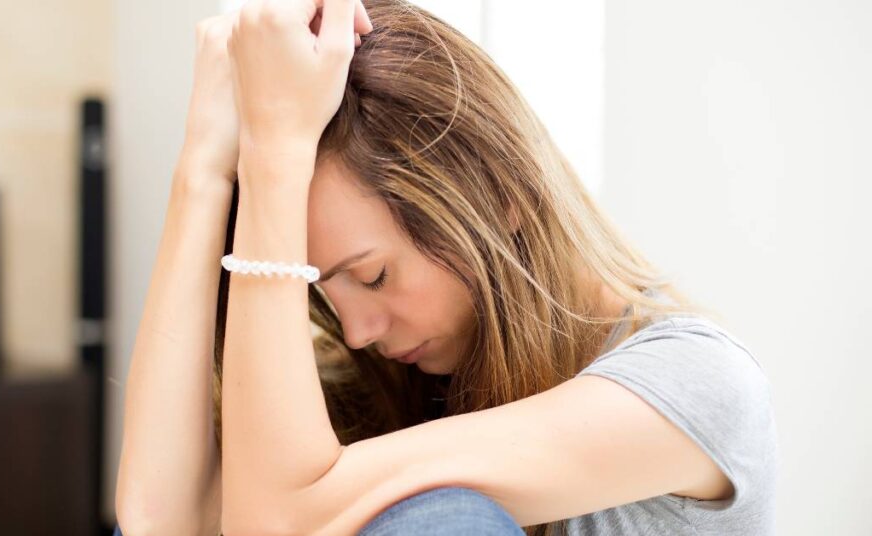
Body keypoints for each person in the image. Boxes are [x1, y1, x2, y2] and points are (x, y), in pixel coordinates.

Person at [115, 0, 778, 535]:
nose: (356, 331)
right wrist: (202, 166)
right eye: (322, 289)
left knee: (446, 520)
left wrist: (276, 153)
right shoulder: (375, 379)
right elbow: (158, 521)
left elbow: (279, 524)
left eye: (373, 276)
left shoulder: (696, 381)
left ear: (498, 196)